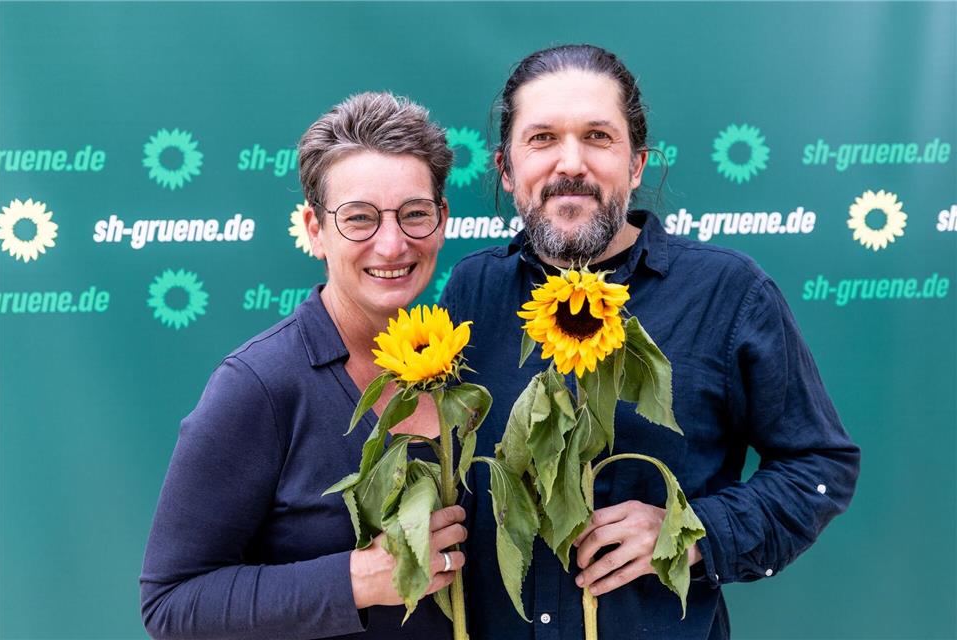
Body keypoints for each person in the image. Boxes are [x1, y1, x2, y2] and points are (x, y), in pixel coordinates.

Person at [439, 44, 860, 639]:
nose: (571, 163)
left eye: (597, 137)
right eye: (542, 139)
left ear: (637, 165)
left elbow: (820, 466)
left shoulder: (729, 294)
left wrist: (691, 531)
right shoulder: (471, 289)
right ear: (506, 168)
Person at [141, 92, 467, 639]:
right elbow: (171, 604)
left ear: (441, 221)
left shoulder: (460, 364)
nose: (392, 244)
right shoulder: (261, 385)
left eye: (414, 214)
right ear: (315, 229)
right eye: (359, 218)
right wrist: (355, 580)